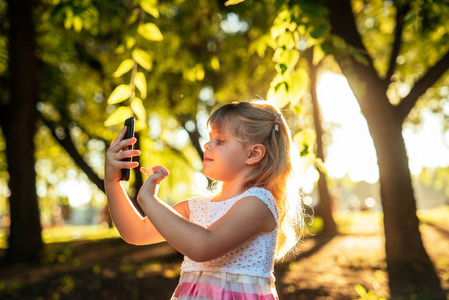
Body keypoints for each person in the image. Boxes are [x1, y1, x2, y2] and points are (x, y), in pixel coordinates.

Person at [104, 101, 305, 299]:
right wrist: (113, 183)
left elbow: (203, 246)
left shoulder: (258, 202)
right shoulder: (197, 207)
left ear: (254, 154)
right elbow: (136, 232)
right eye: (210, 139)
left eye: (220, 141)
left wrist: (149, 200)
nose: (207, 145)